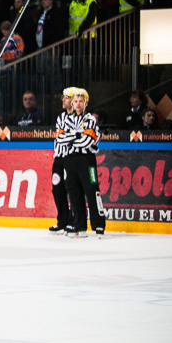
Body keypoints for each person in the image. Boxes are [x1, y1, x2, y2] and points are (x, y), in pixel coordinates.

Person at [56, 88, 106, 238]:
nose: (77, 104)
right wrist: (78, 134)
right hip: (70, 160)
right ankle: (79, 224)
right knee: (73, 192)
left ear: (86, 103)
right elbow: (60, 139)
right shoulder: (67, 119)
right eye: (75, 101)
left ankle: (98, 224)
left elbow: (87, 141)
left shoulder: (90, 119)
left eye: (81, 101)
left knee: (92, 190)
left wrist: (72, 137)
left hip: (86, 160)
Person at [49, 87, 76, 233]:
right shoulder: (61, 117)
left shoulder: (80, 117)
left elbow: (71, 138)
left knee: (72, 190)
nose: (63, 100)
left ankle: (73, 220)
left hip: (71, 158)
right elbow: (61, 137)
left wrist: (70, 136)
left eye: (66, 97)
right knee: (57, 188)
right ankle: (62, 220)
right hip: (58, 158)